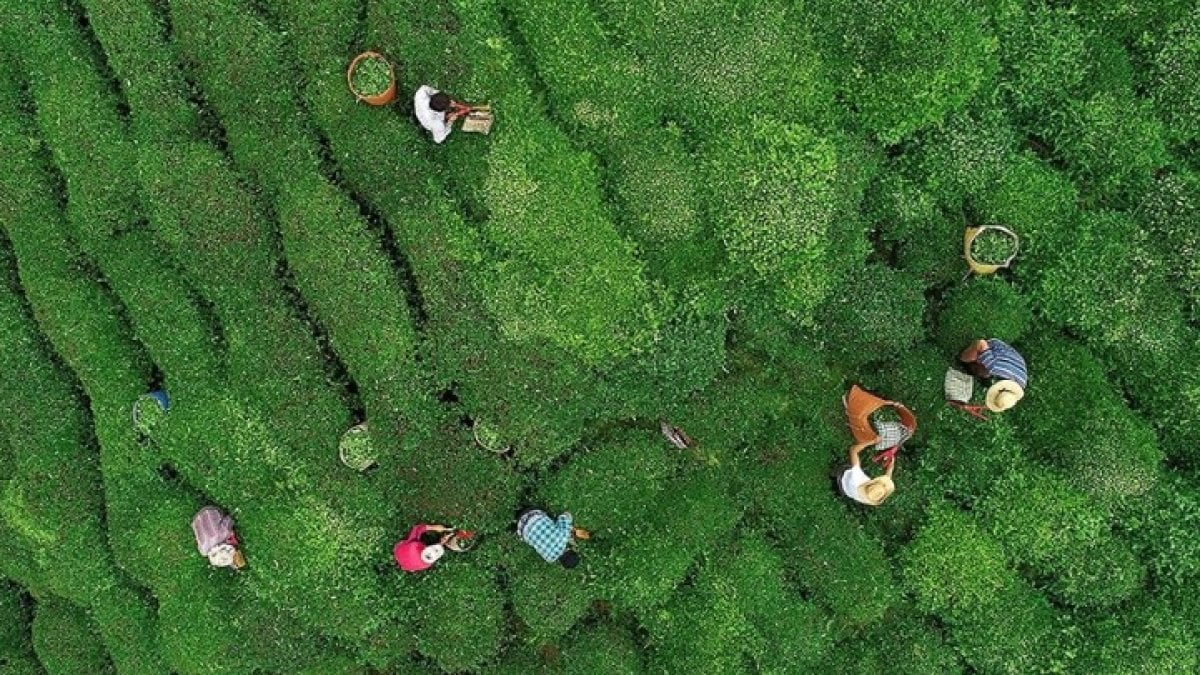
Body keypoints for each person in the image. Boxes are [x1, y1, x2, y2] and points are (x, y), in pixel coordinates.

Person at [959, 338, 1028, 412]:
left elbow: (1003, 398)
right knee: (973, 364)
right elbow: (981, 343)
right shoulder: (993, 366)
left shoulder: (1020, 386)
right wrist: (963, 358)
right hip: (997, 347)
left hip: (1016, 360)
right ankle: (963, 358)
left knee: (984, 373)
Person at [516, 508, 585, 568]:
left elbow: (564, 516)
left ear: (571, 550)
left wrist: (569, 523)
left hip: (531, 514)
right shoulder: (549, 559)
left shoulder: (564, 536)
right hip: (520, 529)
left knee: (562, 518)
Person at [839, 441, 895, 507]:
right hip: (849, 493)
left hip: (843, 479)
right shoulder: (873, 497)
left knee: (853, 462)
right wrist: (891, 465)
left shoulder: (857, 477)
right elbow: (887, 479)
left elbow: (853, 450)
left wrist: (871, 442)